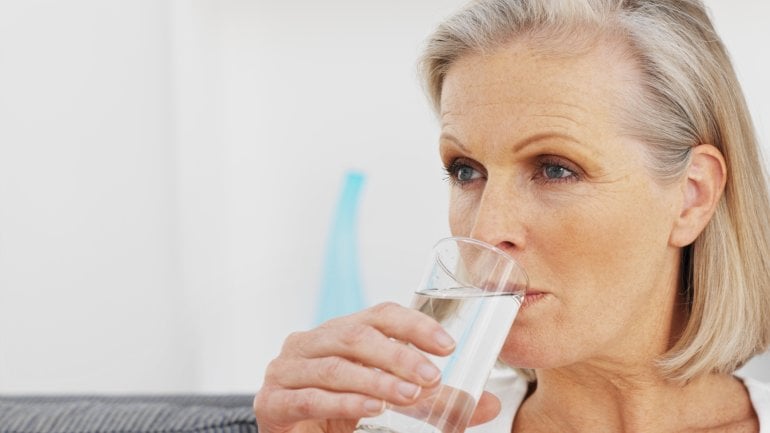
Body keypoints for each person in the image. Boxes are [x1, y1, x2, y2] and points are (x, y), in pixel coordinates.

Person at [253, 0, 770, 431]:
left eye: (555, 169)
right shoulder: (399, 423)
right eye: (466, 171)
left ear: (692, 196)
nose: (485, 231)